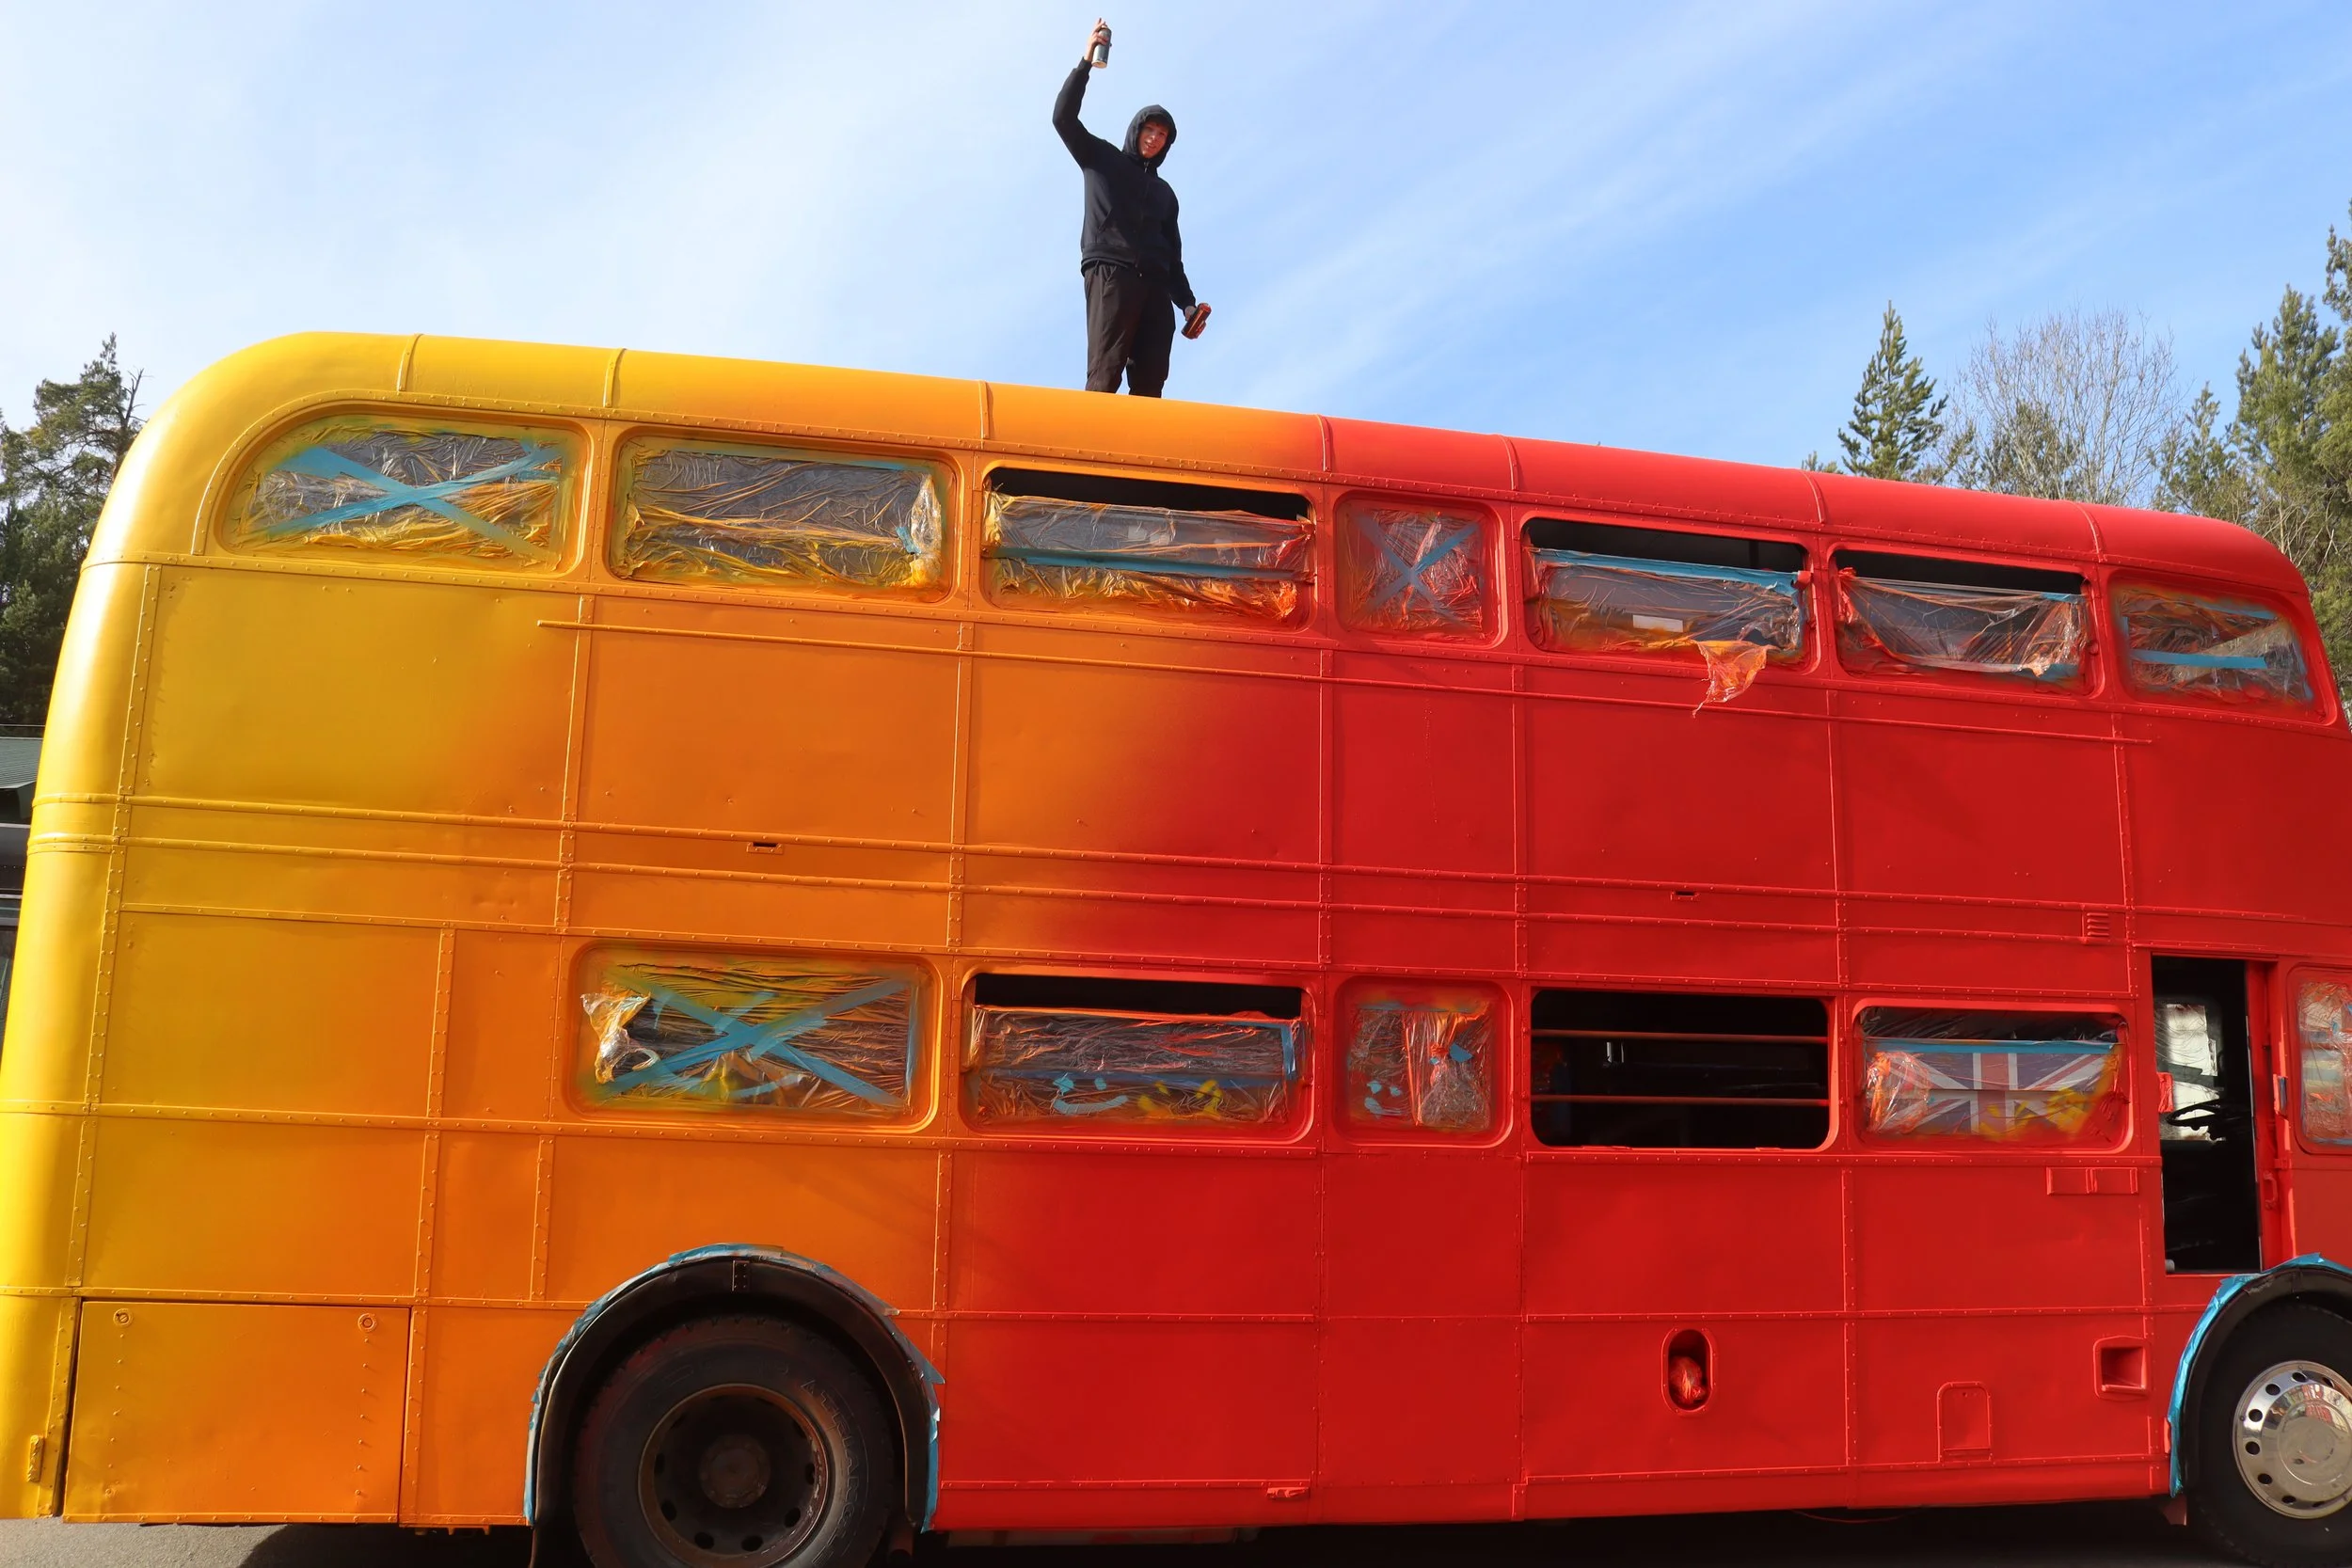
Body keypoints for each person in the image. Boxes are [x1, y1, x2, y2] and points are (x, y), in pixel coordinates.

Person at [1053, 19, 1210, 397]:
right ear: (1136, 130)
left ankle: (1139, 453)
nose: (1154, 139)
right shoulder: (1103, 158)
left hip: (1155, 286)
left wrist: (1187, 306)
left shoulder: (1165, 194)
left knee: (1152, 381)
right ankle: (1091, 448)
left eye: (1162, 136)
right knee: (1106, 373)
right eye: (1149, 130)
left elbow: (1173, 258)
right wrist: (1085, 62)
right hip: (1112, 273)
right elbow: (1063, 119)